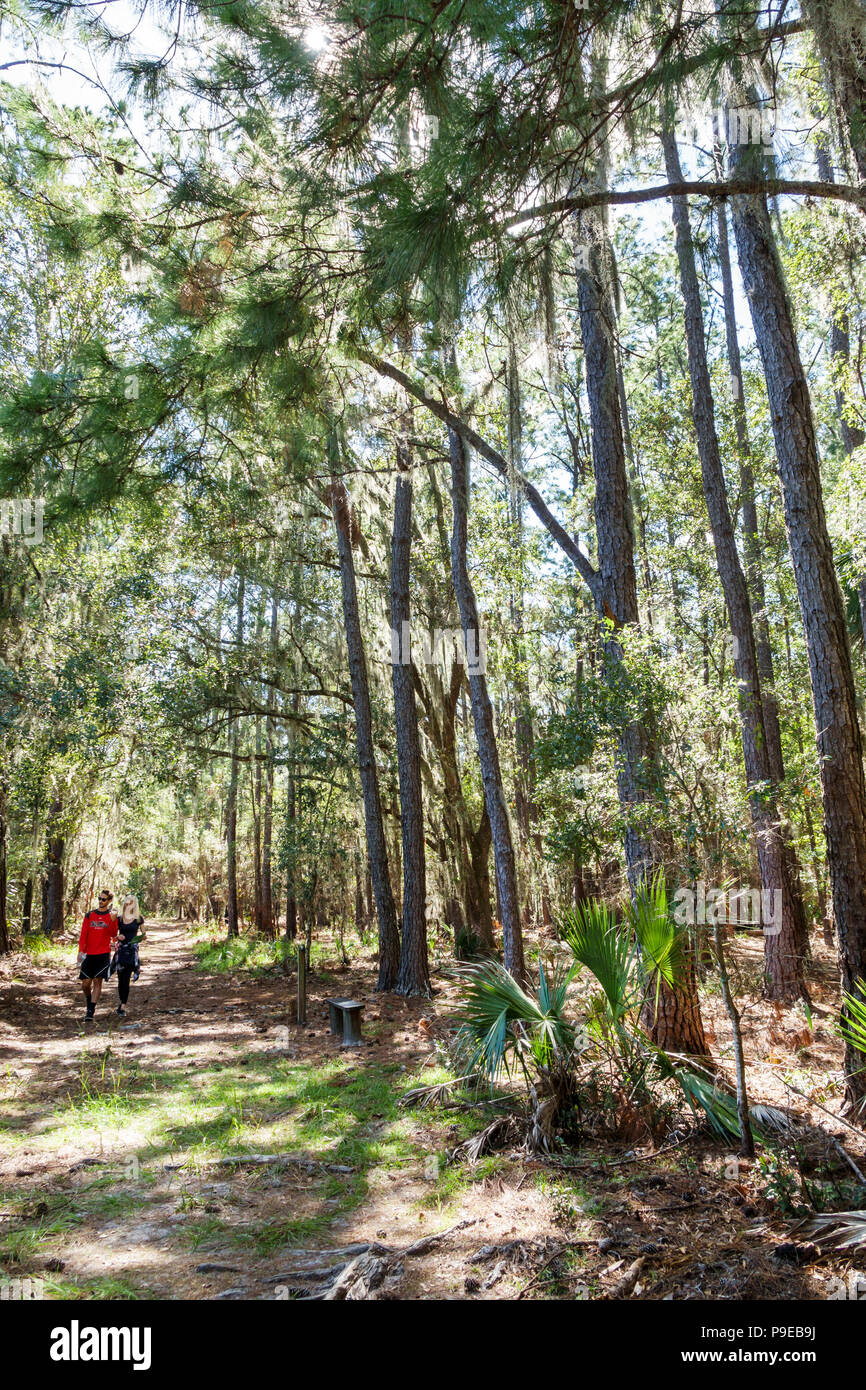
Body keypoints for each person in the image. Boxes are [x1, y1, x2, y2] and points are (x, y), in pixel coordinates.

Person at [78, 890, 118, 1022]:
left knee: (97, 981)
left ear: (109, 901)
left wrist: (112, 921)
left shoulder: (111, 916)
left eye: (104, 899)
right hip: (89, 954)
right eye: (99, 898)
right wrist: (80, 951)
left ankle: (90, 1011)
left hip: (103, 953)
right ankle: (89, 1000)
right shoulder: (90, 915)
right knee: (85, 983)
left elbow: (113, 935)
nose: (101, 901)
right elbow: (84, 934)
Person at [114, 895, 146, 1017]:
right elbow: (113, 934)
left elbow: (144, 934)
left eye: (131, 903)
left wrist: (140, 938)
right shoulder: (119, 919)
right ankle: (121, 1000)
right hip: (121, 951)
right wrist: (118, 937)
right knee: (120, 979)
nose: (128, 905)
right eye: (127, 902)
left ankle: (123, 1005)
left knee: (126, 978)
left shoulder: (138, 919)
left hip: (132, 952)